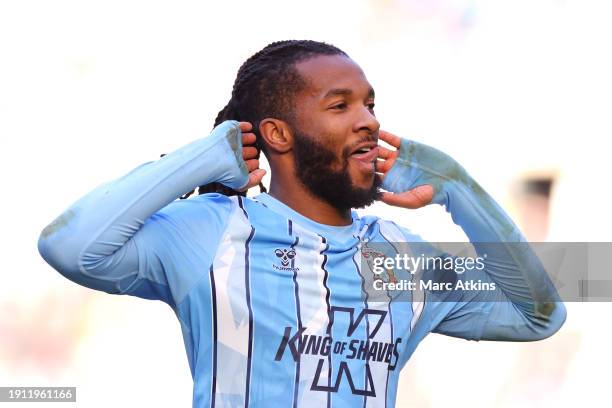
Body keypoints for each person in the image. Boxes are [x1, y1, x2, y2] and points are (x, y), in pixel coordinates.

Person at [37, 40, 566, 408]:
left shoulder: (396, 259)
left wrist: (459, 191)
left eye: (369, 104)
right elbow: (70, 245)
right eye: (340, 106)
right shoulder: (212, 233)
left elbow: (543, 312)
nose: (369, 120)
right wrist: (198, 160)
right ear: (278, 135)